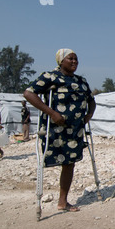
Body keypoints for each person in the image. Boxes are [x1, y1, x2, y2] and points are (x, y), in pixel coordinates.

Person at [24, 48, 96, 212]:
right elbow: (29, 94)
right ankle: (41, 199)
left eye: (76, 59)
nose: (74, 62)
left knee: (69, 164)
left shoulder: (81, 81)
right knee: (49, 160)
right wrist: (52, 113)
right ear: (60, 61)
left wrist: (88, 115)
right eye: (70, 59)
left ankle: (62, 201)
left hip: (75, 130)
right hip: (54, 130)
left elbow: (91, 100)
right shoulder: (50, 77)